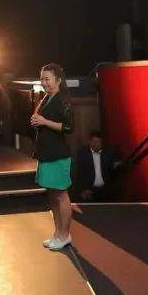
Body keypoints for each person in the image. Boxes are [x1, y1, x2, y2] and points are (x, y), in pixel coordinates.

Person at [30, 63, 75, 251]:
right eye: (42, 79)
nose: (43, 82)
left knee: (61, 195)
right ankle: (57, 233)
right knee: (52, 195)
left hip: (58, 154)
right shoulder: (47, 97)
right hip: (46, 153)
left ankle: (65, 235)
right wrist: (37, 121)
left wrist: (44, 121)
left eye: (47, 79)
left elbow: (69, 127)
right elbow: (42, 120)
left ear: (58, 80)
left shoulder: (62, 98)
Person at [74, 130, 121, 202]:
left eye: (99, 142)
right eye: (94, 142)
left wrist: (116, 164)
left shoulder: (108, 152)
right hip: (89, 190)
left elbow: (114, 164)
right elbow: (80, 173)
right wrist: (83, 189)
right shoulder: (82, 153)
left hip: (106, 191)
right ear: (89, 142)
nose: (96, 144)